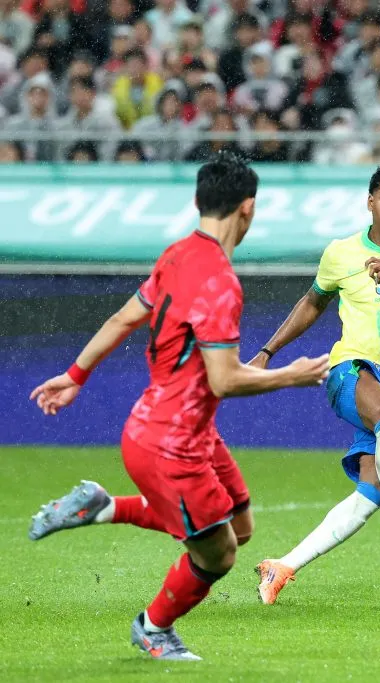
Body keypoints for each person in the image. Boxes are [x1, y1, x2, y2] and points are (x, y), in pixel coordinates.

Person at [26, 152, 330, 661]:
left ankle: (102, 506)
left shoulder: (176, 254)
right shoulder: (220, 282)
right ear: (248, 208)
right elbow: (224, 379)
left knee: (241, 527)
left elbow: (124, 319)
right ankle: (153, 628)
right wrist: (290, 375)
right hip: (171, 444)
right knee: (218, 554)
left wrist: (75, 375)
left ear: (197, 200)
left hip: (187, 430)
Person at [253, 163, 380, 604]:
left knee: (372, 493)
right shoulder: (341, 253)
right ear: (370, 202)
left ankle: (282, 567)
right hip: (351, 368)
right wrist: (268, 351)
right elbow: (313, 301)